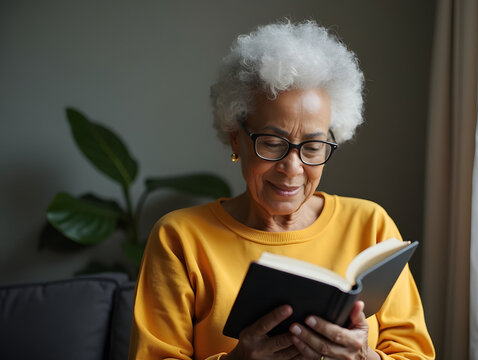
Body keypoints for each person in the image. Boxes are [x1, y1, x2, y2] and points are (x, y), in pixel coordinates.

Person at [129, 20, 435, 360]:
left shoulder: (371, 225)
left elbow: (416, 354)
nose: (292, 168)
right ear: (235, 136)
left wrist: (365, 356)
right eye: (273, 143)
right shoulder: (181, 238)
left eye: (314, 147)